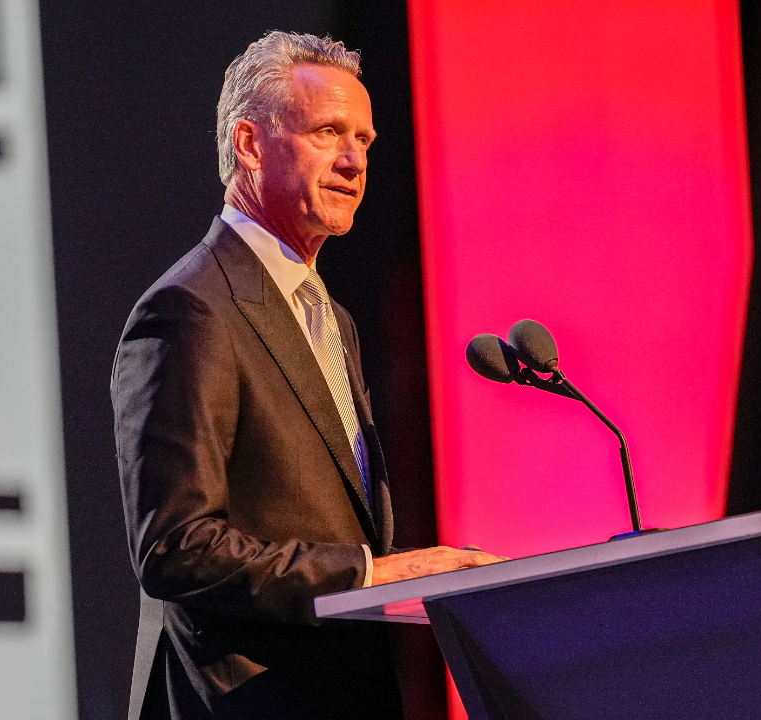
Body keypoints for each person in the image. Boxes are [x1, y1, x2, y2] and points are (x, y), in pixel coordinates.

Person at [112, 32, 503, 720]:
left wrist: (413, 576)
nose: (354, 161)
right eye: (327, 133)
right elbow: (176, 547)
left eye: (364, 140)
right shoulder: (190, 309)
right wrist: (372, 573)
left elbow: (323, 521)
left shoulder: (329, 317)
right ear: (250, 145)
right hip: (247, 700)